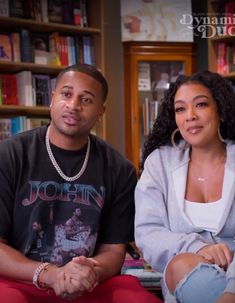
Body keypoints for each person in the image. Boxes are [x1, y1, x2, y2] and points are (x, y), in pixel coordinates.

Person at [0, 64, 161, 303]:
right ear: (53, 99)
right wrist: (50, 275)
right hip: (23, 280)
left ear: (101, 111)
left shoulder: (119, 169)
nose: (74, 105)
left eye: (86, 99)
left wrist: (88, 272)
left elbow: (113, 251)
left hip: (88, 285)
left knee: (138, 299)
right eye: (66, 94)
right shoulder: (10, 155)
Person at [134, 70, 235, 303]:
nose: (190, 116)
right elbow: (147, 233)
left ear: (220, 110)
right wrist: (196, 247)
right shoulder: (159, 162)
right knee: (182, 264)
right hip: (186, 277)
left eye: (200, 105)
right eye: (180, 109)